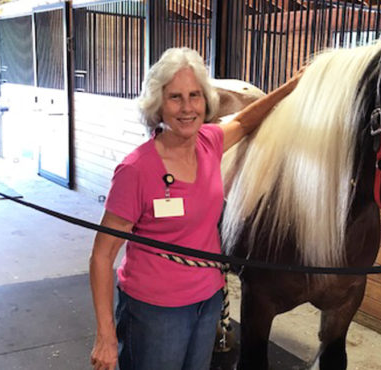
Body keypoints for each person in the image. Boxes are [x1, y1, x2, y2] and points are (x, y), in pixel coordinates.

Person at [88, 47, 301, 370]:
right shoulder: (136, 170)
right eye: (175, 97)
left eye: (195, 95)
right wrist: (105, 335)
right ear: (158, 104)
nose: (187, 108)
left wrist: (290, 88)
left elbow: (244, 121)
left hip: (207, 300)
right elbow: (102, 256)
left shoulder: (209, 142)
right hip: (156, 309)